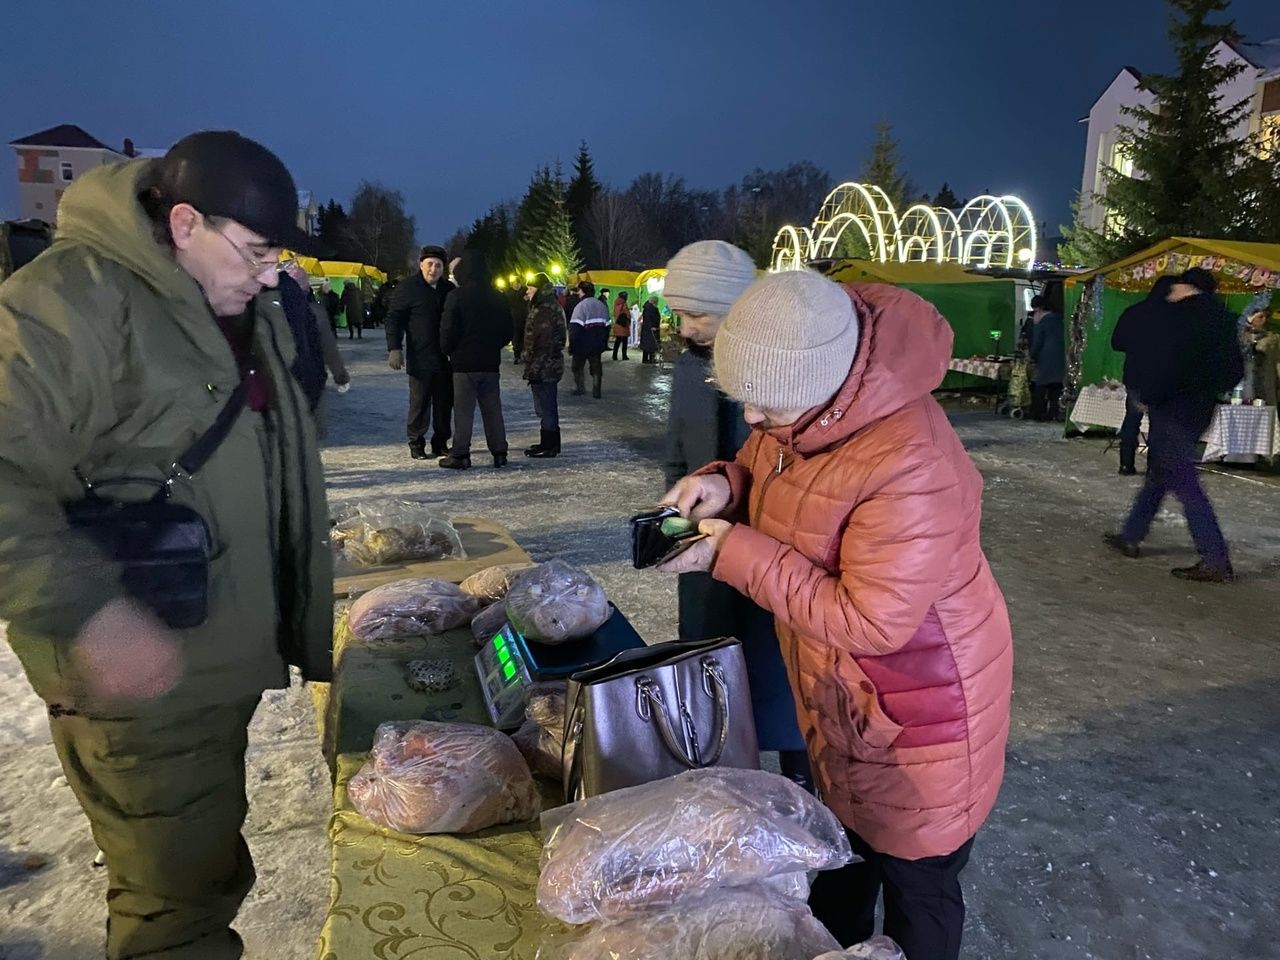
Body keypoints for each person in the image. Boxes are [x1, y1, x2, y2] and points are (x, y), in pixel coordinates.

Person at [0, 131, 333, 960]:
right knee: (174, 915)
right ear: (186, 223)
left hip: (204, 659)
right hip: (132, 681)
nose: (267, 275)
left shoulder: (222, 298)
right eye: (255, 252)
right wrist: (92, 611)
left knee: (197, 882)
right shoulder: (72, 298)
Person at [658, 270, 1012, 960]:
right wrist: (721, 484)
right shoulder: (808, 412)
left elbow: (872, 621)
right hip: (849, 704)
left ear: (819, 383)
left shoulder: (911, 460)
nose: (753, 419)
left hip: (920, 719)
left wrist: (730, 552)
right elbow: (767, 468)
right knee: (844, 864)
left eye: (763, 404)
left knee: (918, 890)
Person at [660, 241, 811, 789]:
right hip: (707, 555)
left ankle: (804, 789)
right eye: (678, 314)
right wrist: (677, 503)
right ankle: (727, 788)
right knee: (711, 680)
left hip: (773, 561)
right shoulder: (692, 368)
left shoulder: (787, 373)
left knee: (784, 695)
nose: (684, 328)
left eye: (696, 314)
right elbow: (681, 451)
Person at [1105, 268, 1244, 582]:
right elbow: (1234, 371)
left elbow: (1168, 362)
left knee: (1184, 481)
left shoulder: (1182, 318)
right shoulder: (1223, 320)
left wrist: (1149, 397)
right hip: (1200, 408)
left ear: (1187, 287)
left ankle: (1215, 558)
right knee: (1160, 472)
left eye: (1177, 285)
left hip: (1172, 407)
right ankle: (1131, 534)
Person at [438, 249, 511, 469]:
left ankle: (460, 454)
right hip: (490, 363)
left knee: (463, 411)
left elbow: (447, 328)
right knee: (492, 409)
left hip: (463, 363)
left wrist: (449, 349)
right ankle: (499, 452)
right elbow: (508, 330)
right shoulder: (498, 296)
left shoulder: (456, 296)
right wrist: (492, 346)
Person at [386, 245, 455, 459]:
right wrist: (394, 348)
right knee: (420, 403)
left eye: (438, 265)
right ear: (421, 265)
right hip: (420, 357)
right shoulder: (408, 288)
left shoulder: (448, 291)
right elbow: (393, 319)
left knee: (444, 403)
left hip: (445, 359)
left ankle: (441, 442)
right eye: (430, 265)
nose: (433, 269)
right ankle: (416, 442)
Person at [1112, 276, 1175, 475]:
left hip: (1135, 374)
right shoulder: (1175, 315)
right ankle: (1154, 466)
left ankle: (1126, 463)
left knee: (1132, 419)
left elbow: (1117, 342)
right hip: (1162, 375)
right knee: (1158, 422)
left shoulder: (1133, 312)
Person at [282, 262, 350, 442]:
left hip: (281, 379)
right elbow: (328, 347)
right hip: (311, 377)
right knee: (311, 432)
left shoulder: (270, 309)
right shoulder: (315, 311)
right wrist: (340, 375)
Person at [522, 273, 567, 458]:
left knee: (546, 407)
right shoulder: (545, 305)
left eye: (530, 288)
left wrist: (534, 367)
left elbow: (543, 343)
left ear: (538, 289)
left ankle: (549, 445)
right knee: (546, 406)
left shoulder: (545, 309)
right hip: (546, 365)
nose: (527, 291)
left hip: (544, 366)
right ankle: (549, 442)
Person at [568, 280, 611, 398]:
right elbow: (607, 325)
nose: (578, 293)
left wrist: (572, 345)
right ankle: (597, 390)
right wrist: (604, 342)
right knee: (596, 367)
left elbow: (575, 328)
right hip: (597, 343)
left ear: (582, 291)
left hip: (581, 343)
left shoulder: (581, 306)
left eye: (579, 290)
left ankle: (579, 387)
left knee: (577, 366)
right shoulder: (601, 305)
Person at [1028, 294, 1064, 421]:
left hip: (1046, 356)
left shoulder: (1041, 322)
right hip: (1061, 356)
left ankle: (1036, 413)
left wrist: (1031, 355)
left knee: (1040, 385)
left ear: (1040, 308)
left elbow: (1037, 342)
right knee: (1056, 385)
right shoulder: (1059, 319)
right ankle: (1053, 413)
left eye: (1035, 310)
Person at [640, 294, 662, 363]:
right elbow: (648, 319)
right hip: (650, 329)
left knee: (648, 345)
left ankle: (647, 359)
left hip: (649, 329)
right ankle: (649, 359)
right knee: (650, 344)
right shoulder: (649, 308)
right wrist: (652, 327)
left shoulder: (648, 307)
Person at [611, 290, 631, 360]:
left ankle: (614, 355)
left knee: (618, 340)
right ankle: (624, 355)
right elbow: (627, 313)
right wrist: (629, 318)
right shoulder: (623, 303)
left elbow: (616, 313)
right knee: (624, 341)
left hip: (618, 323)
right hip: (624, 324)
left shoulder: (616, 302)